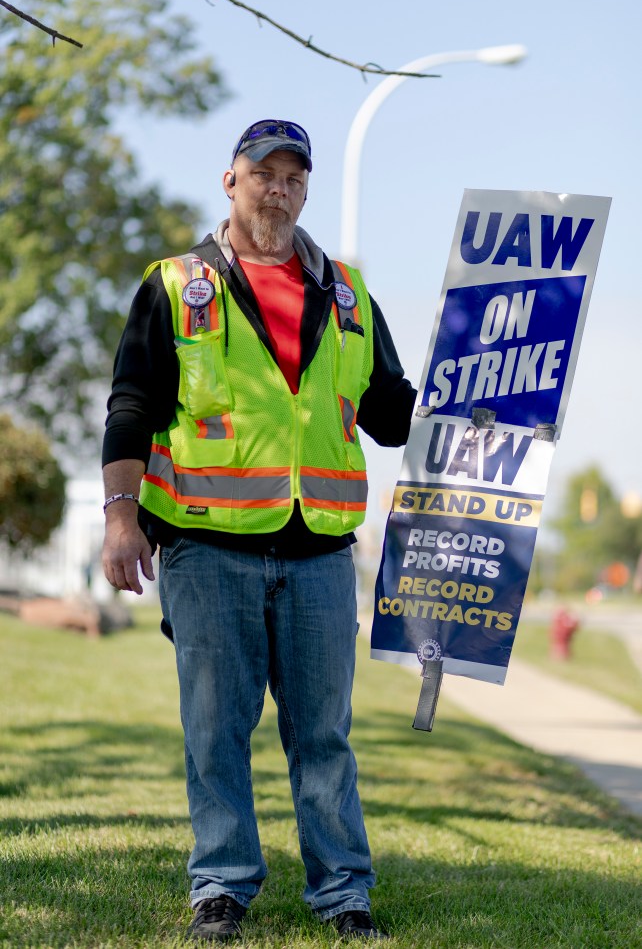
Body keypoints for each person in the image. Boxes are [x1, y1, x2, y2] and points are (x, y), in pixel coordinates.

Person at [102, 119, 416, 942]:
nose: (279, 186)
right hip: (208, 547)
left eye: (293, 175)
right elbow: (131, 403)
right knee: (216, 728)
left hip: (317, 552)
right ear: (230, 180)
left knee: (323, 736)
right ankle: (223, 886)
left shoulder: (348, 292)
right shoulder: (175, 284)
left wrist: (473, 401)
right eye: (263, 171)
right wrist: (121, 516)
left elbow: (391, 414)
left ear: (305, 188)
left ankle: (345, 894)